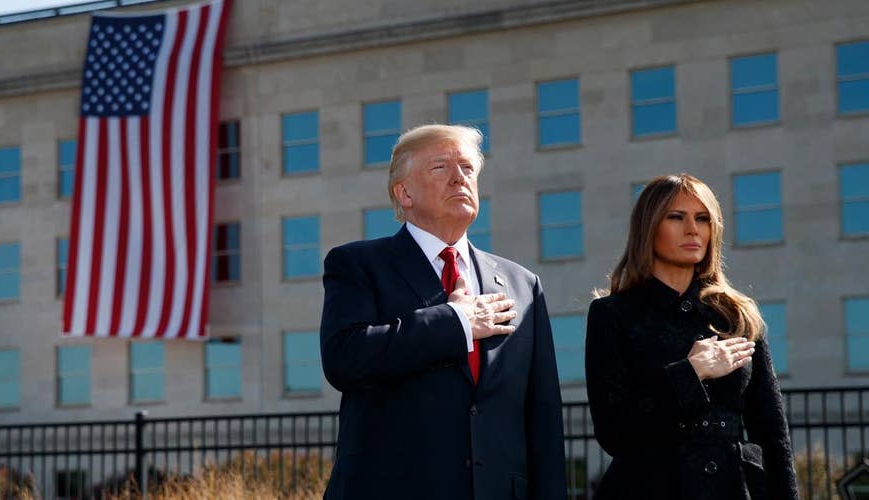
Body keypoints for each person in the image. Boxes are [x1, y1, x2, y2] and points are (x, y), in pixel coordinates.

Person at [320, 124, 567, 500]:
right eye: (440, 168)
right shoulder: (358, 264)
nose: (459, 178)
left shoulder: (522, 284)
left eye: (467, 168)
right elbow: (344, 359)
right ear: (404, 193)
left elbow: (543, 416)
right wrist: (456, 322)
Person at [584, 173, 798, 499]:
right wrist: (690, 373)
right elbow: (614, 432)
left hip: (737, 488)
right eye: (676, 217)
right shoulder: (613, 314)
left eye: (702, 219)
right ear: (649, 227)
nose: (693, 229)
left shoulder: (737, 314)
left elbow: (773, 432)